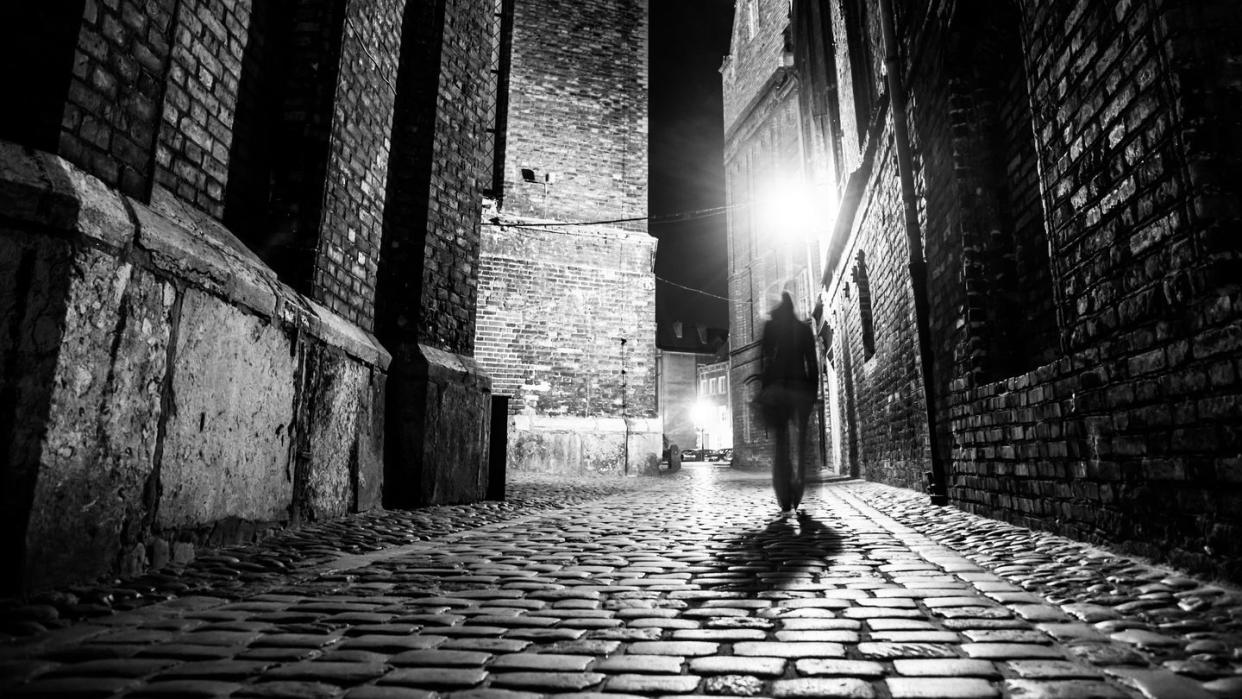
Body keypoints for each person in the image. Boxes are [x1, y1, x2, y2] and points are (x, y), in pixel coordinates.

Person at [757, 292, 819, 516]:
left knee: (781, 444)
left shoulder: (770, 328)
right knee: (801, 445)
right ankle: (798, 487)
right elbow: (812, 363)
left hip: (777, 390)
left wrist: (764, 390)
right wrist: (813, 393)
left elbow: (764, 361)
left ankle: (784, 493)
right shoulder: (803, 329)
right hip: (800, 389)